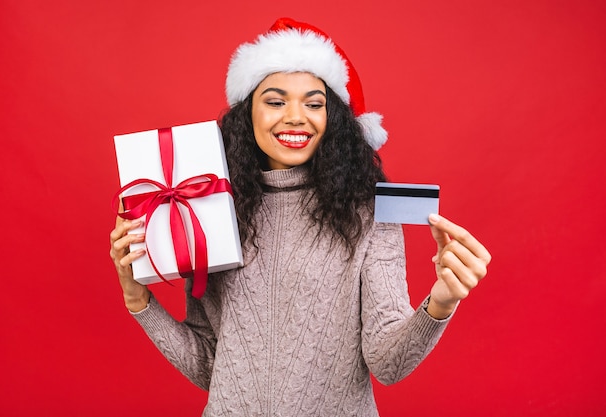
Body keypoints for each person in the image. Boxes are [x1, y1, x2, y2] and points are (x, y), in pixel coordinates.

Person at [110, 17, 491, 416]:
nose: (295, 117)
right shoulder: (207, 209)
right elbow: (211, 366)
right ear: (247, 114)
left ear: (334, 120)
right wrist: (138, 300)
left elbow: (388, 363)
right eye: (275, 101)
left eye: (314, 104)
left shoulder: (368, 214)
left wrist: (441, 303)